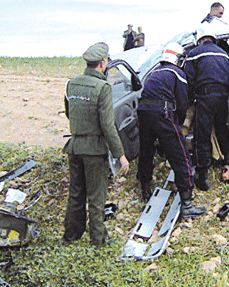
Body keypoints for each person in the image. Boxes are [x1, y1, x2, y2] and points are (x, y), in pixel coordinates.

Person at [63, 42, 130, 246]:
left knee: (76, 193)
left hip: (75, 147)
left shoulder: (71, 83)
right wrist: (121, 155)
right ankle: (98, 240)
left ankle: (71, 236)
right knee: (96, 197)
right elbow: (108, 126)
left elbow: (69, 113)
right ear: (102, 63)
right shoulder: (102, 88)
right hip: (94, 151)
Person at [136, 42, 206, 219]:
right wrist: (179, 126)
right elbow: (182, 104)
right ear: (178, 58)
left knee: (146, 151)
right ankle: (187, 204)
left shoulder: (154, 72)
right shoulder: (177, 73)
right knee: (180, 154)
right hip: (162, 112)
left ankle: (145, 187)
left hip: (144, 112)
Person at [185, 26, 229, 191]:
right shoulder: (224, 54)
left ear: (200, 39)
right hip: (223, 97)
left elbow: (189, 80)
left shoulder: (194, 53)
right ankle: (227, 161)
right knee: (222, 129)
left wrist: (188, 100)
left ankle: (203, 175)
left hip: (205, 97)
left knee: (202, 134)